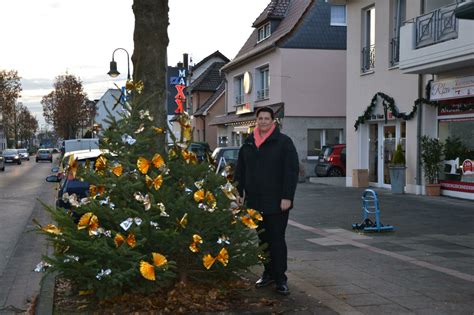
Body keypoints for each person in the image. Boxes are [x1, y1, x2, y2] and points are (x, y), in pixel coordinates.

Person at [234, 106, 299, 296]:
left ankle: (280, 278)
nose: (263, 121)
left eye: (266, 118)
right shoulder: (248, 143)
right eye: (260, 118)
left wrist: (287, 197)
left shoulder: (283, 143)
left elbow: (291, 172)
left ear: (273, 121)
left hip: (278, 203)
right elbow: (240, 171)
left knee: (276, 240)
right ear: (256, 121)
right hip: (255, 202)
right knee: (262, 241)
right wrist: (238, 192)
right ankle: (268, 273)